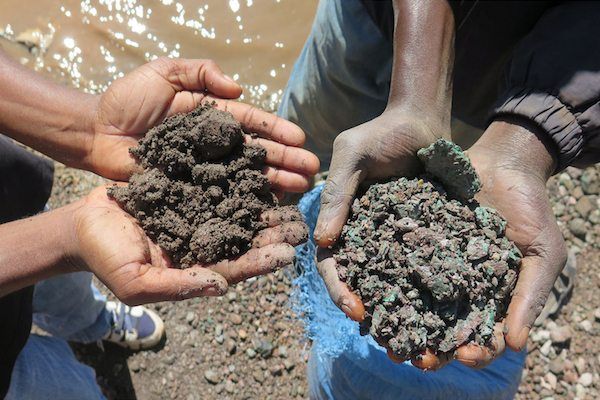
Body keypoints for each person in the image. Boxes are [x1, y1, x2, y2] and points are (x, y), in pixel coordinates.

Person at [279, 0, 599, 398]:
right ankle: (284, 232)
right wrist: (416, 97)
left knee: (447, 165)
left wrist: (530, 137)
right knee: (298, 145)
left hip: (506, 79)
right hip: (373, 16)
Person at [0, 50, 320, 399]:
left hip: (8, 197)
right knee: (62, 388)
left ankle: (93, 324)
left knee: (65, 293)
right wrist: (65, 239)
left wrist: (91, 125)